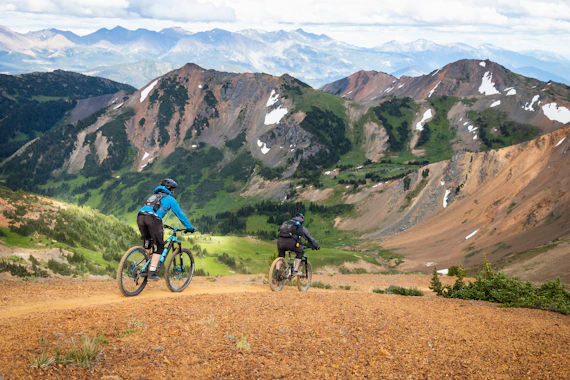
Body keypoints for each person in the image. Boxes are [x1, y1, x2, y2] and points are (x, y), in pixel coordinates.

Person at [137, 178, 195, 280]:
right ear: (170, 189)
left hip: (140, 216)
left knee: (148, 242)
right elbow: (180, 214)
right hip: (153, 219)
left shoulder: (153, 196)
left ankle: (143, 268)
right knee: (159, 246)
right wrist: (190, 227)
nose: (173, 191)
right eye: (173, 189)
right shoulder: (170, 199)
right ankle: (152, 272)